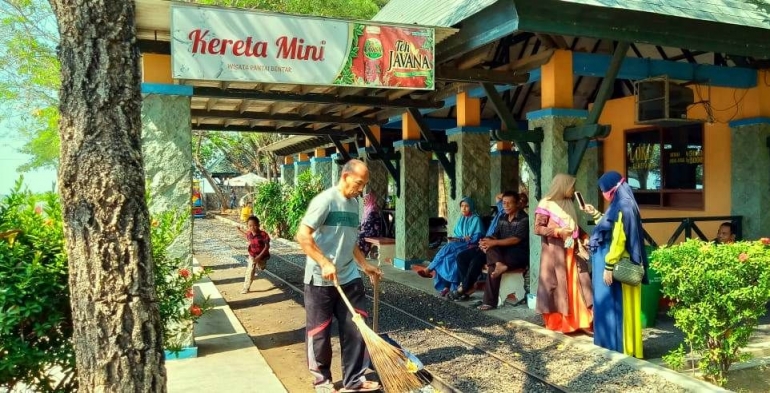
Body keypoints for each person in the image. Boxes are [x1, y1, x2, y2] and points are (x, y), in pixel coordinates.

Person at [296, 159, 383, 393]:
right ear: (345, 176)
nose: (360, 188)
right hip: (319, 280)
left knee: (356, 327)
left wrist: (364, 265)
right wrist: (324, 262)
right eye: (358, 183)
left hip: (349, 276)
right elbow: (303, 236)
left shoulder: (355, 203)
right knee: (320, 332)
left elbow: (350, 239)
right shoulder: (325, 201)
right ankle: (322, 381)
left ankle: (354, 379)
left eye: (364, 184)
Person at [582, 171, 648, 358]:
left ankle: (622, 349)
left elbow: (618, 238)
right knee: (630, 310)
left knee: (622, 309)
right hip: (628, 262)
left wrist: (608, 266)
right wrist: (595, 213)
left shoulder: (621, 205)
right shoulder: (626, 202)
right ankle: (632, 348)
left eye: (603, 191)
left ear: (610, 190)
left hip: (620, 265)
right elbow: (610, 225)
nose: (603, 194)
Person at [534, 174, 593, 334]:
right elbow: (538, 228)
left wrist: (583, 236)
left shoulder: (568, 203)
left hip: (572, 252)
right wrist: (558, 231)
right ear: (562, 186)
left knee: (578, 284)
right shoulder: (545, 204)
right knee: (559, 286)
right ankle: (560, 323)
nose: (574, 189)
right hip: (555, 253)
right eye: (571, 186)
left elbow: (573, 225)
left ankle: (582, 321)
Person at [417, 197, 485, 297]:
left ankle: (430, 268)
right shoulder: (461, 218)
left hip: (470, 247)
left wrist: (462, 239)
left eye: (466, 206)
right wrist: (458, 238)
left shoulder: (476, 219)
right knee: (447, 259)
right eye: (462, 206)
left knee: (448, 247)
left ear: (471, 207)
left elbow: (476, 238)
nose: (464, 208)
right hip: (460, 245)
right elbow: (458, 234)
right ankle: (448, 287)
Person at [476, 191, 529, 311]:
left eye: (509, 203)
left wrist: (492, 243)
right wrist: (485, 242)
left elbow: (516, 240)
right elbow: (495, 236)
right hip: (503, 253)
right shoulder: (503, 217)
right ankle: (500, 264)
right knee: (489, 241)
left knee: (492, 265)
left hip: (519, 254)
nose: (505, 206)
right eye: (504, 203)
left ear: (517, 204)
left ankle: (489, 302)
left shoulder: (524, 219)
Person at [237, 216, 270, 294]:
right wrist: (239, 230)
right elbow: (246, 236)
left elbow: (267, 246)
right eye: (250, 226)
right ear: (248, 226)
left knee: (261, 267)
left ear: (258, 225)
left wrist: (259, 257)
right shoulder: (249, 234)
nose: (252, 227)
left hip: (262, 256)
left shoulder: (263, 235)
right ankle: (246, 288)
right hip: (252, 255)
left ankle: (261, 265)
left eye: (254, 225)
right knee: (250, 270)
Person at [357, 190, 384, 257]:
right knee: (356, 234)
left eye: (366, 200)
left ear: (370, 200)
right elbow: (364, 223)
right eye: (364, 200)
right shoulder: (367, 209)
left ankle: (362, 254)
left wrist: (361, 228)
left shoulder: (373, 210)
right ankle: (359, 254)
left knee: (359, 235)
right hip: (369, 230)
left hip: (374, 231)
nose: (364, 201)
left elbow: (369, 224)